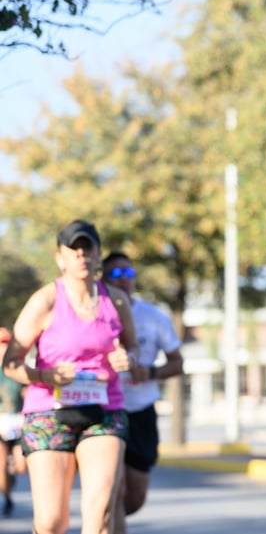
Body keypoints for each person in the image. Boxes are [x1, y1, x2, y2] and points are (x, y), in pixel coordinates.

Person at [1, 219, 139, 534]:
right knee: (51, 522)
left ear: (98, 254)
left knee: (100, 514)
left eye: (87, 248)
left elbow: (133, 347)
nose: (81, 255)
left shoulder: (116, 300)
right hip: (49, 410)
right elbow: (11, 363)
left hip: (104, 410)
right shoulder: (45, 300)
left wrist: (126, 357)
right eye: (73, 250)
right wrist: (45, 376)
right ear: (60, 258)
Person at [102, 252, 184, 534]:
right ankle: (103, 520)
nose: (123, 279)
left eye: (128, 273)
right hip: (106, 411)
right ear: (102, 278)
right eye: (115, 274)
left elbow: (177, 362)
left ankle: (103, 519)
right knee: (114, 487)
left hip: (142, 412)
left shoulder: (154, 316)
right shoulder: (95, 313)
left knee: (134, 497)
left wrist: (150, 373)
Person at [0, 327, 26, 517]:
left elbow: (28, 392)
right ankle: (7, 498)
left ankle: (12, 471)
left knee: (21, 465)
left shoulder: (17, 368)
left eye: (5, 345)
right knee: (1, 470)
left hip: (18, 424)